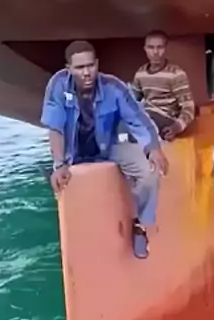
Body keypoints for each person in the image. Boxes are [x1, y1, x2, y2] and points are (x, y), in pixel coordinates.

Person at [41, 40, 169, 259]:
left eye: (90, 65)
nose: (86, 73)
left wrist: (153, 147)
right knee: (64, 186)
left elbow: (138, 119)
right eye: (80, 68)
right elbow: (55, 128)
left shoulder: (113, 87)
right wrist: (59, 164)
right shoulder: (58, 85)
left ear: (97, 64)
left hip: (107, 147)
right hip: (73, 153)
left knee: (149, 172)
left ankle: (140, 224)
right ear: (68, 68)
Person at [131, 30, 195, 141]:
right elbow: (131, 101)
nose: (155, 52)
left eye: (160, 47)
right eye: (151, 47)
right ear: (145, 49)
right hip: (147, 117)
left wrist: (176, 127)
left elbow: (189, 108)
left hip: (166, 119)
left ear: (166, 49)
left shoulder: (176, 74)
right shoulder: (140, 73)